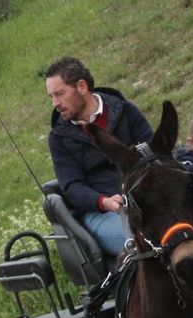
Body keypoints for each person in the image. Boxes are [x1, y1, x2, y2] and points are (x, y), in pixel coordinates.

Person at [45, 56, 153, 257]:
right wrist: (104, 202)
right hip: (102, 213)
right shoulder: (58, 138)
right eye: (51, 96)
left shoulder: (126, 111)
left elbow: (152, 154)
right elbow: (72, 187)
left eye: (59, 94)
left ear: (82, 86)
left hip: (147, 198)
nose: (55, 103)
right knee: (145, 240)